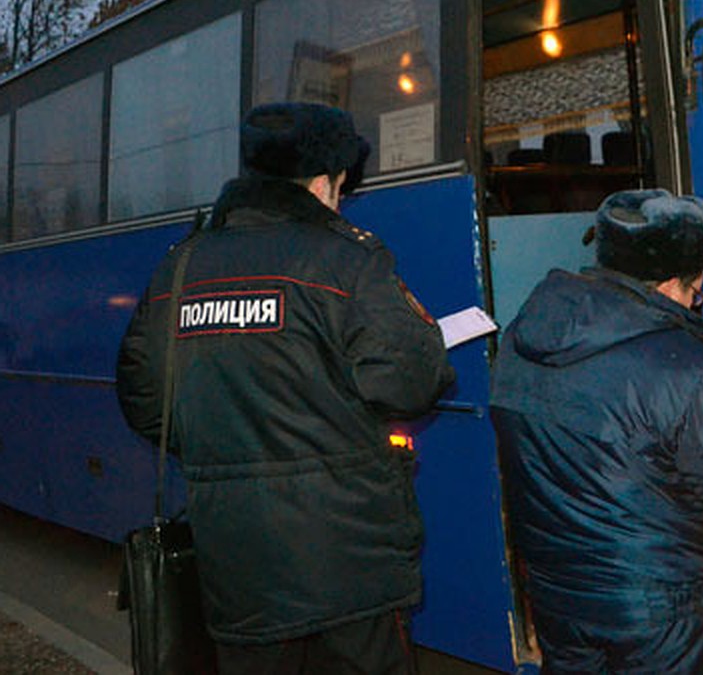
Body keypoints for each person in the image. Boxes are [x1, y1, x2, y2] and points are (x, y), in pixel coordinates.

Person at [116, 102, 456, 675]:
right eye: (342, 188)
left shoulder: (181, 267)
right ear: (323, 183)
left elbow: (144, 400)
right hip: (349, 568)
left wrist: (224, 447)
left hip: (236, 569)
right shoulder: (347, 262)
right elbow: (411, 384)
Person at [490, 188, 703, 673]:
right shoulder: (690, 367)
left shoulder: (524, 337)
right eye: (696, 292)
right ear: (675, 281)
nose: (695, 304)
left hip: (557, 594)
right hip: (657, 610)